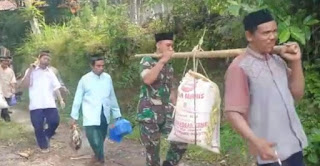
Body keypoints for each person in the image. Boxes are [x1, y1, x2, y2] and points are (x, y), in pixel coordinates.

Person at [224, 9, 307, 166]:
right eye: (266, 33)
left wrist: (296, 62)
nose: (272, 37)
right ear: (249, 36)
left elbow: (297, 94)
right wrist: (256, 141)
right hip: (270, 152)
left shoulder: (277, 61)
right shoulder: (240, 67)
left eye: (275, 31)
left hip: (294, 145)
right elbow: (232, 112)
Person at [137, 32, 187, 166]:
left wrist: (178, 106)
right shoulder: (147, 60)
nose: (171, 49)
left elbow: (170, 89)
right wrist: (162, 61)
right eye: (168, 45)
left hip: (167, 113)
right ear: (158, 45)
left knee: (182, 138)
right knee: (152, 153)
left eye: (172, 46)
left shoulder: (169, 66)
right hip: (149, 115)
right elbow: (148, 79)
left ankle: (169, 163)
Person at [70, 54, 122, 166]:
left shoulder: (107, 78)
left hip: (104, 114)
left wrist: (117, 114)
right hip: (90, 114)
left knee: (101, 139)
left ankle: (97, 156)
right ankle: (101, 160)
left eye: (102, 66)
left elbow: (112, 97)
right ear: (92, 66)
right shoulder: (85, 79)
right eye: (98, 66)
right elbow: (77, 98)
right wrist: (74, 116)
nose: (101, 68)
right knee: (93, 139)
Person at [20, 51, 65, 153]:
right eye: (45, 58)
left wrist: (61, 99)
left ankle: (47, 135)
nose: (47, 61)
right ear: (39, 59)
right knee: (38, 125)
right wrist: (31, 70)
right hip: (36, 104)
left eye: (48, 59)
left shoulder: (50, 72)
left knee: (55, 122)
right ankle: (43, 145)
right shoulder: (31, 70)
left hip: (50, 103)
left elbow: (56, 87)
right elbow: (24, 85)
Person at [0, 56, 16, 122]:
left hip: (7, 90)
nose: (6, 63)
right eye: (4, 61)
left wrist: (13, 88)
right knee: (4, 105)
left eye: (7, 61)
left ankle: (3, 115)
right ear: (1, 62)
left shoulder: (10, 71)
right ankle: (7, 118)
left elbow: (13, 80)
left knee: (6, 104)